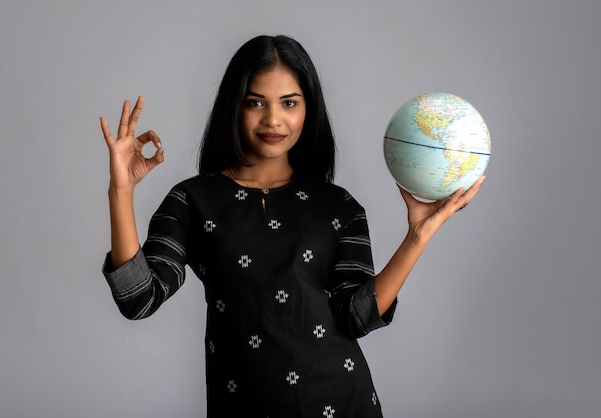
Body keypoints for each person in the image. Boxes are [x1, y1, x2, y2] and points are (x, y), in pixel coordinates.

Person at [100, 34, 484, 417]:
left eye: (289, 103)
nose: (273, 119)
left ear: (308, 110)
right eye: (255, 103)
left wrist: (416, 238)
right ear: (233, 107)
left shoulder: (339, 206)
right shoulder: (193, 200)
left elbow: (357, 315)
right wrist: (121, 191)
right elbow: (138, 299)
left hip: (344, 403)